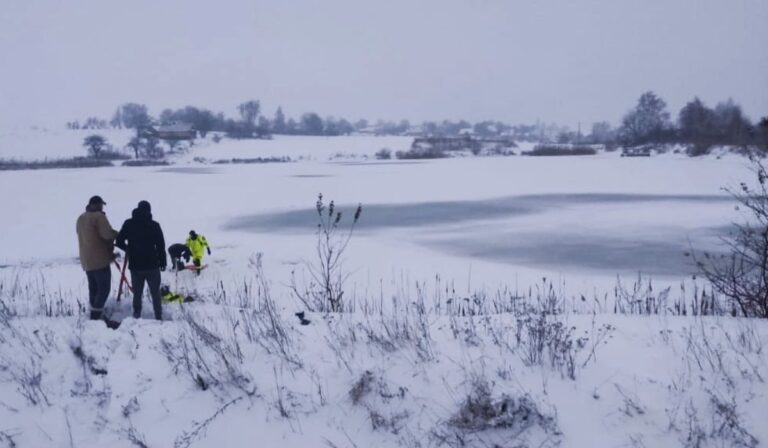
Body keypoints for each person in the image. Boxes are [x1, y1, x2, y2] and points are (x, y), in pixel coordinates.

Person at [116, 200, 167, 320]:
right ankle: (158, 316)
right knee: (155, 293)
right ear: (149, 211)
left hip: (135, 265)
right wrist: (163, 262)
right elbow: (160, 245)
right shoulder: (154, 225)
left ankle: (137, 315)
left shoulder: (129, 223)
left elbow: (119, 241)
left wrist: (129, 249)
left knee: (137, 293)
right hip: (152, 265)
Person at [76, 195, 118, 320]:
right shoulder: (99, 217)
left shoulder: (81, 218)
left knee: (93, 289)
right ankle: (96, 315)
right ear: (99, 205)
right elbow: (107, 234)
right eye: (101, 205)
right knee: (104, 289)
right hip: (100, 260)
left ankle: (94, 314)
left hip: (86, 260)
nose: (102, 207)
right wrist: (118, 235)